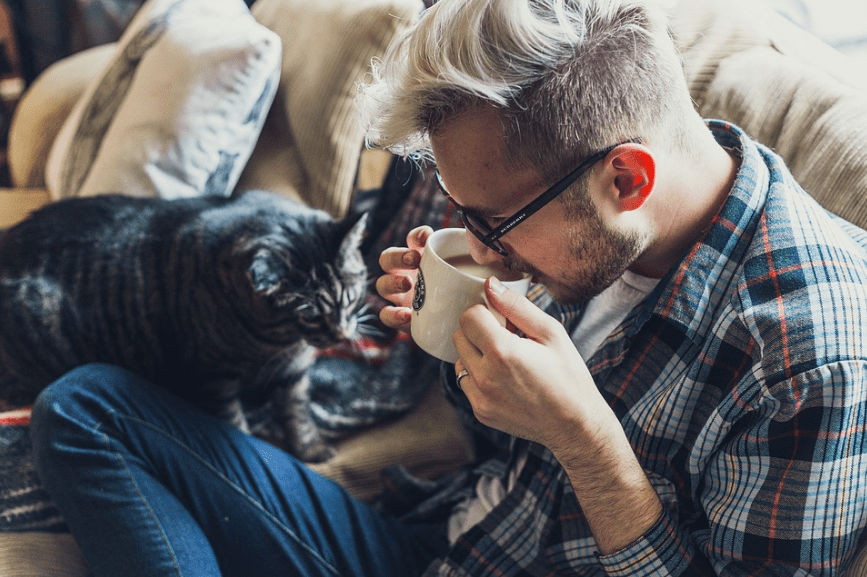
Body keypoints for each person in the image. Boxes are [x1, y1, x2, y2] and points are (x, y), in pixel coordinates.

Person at [29, 0, 867, 575]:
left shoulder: (807, 357)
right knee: (84, 407)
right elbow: (498, 439)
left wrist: (589, 446)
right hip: (454, 540)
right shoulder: (596, 231)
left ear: (626, 177)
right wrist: (453, 339)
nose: (481, 244)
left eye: (492, 220)